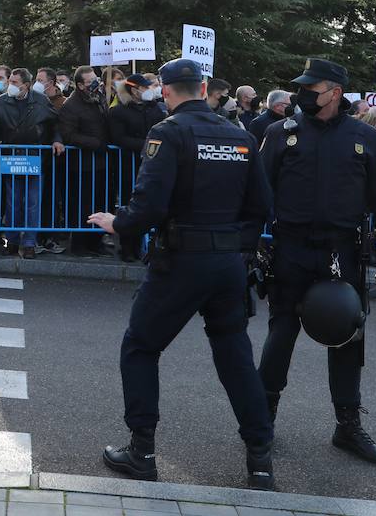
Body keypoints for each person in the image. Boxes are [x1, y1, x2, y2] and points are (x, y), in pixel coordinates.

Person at [88, 58, 274, 490]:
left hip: (182, 261)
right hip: (228, 264)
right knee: (235, 356)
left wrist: (119, 223)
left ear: (167, 92)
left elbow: (150, 204)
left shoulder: (167, 132)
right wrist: (234, 246)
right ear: (205, 86)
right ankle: (260, 460)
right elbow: (261, 206)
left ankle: (142, 452)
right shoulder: (241, 136)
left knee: (140, 346)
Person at [257, 58, 376, 467]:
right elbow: (258, 195)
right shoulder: (279, 133)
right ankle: (261, 422)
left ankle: (347, 426)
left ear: (335, 92)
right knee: (280, 334)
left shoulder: (364, 137)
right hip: (291, 250)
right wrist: (247, 247)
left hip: (343, 251)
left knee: (346, 335)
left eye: (312, 87)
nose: (303, 93)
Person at [0, 68, 63, 259]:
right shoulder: (2, 101)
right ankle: (11, 241)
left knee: (32, 203)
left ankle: (29, 243)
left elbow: (55, 124)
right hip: (11, 158)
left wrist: (57, 139)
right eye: (10, 81)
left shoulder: (40, 100)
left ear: (26, 85)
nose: (10, 85)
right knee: (13, 203)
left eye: (14, 82)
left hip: (34, 158)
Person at [108, 73, 165, 260]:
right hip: (127, 165)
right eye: (146, 87)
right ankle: (126, 247)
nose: (150, 91)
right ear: (134, 90)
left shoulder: (154, 109)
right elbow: (118, 138)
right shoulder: (118, 111)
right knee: (128, 204)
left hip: (149, 165)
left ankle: (140, 246)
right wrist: (146, 145)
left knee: (145, 205)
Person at [59, 65, 112, 257]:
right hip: (82, 166)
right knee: (82, 206)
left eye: (95, 79)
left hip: (101, 163)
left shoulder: (99, 98)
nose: (95, 83)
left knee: (100, 203)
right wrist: (96, 143)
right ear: (80, 85)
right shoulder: (71, 105)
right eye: (90, 81)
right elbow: (68, 135)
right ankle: (80, 244)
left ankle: (96, 241)